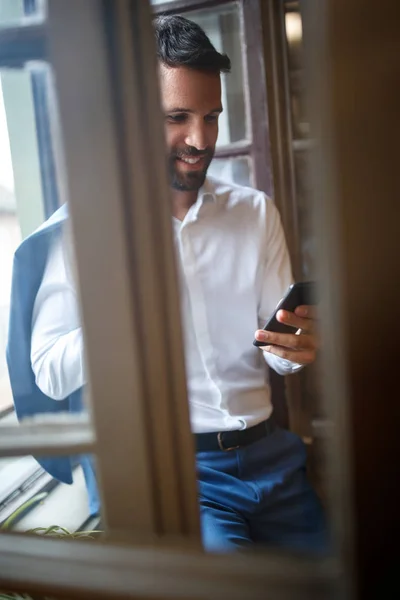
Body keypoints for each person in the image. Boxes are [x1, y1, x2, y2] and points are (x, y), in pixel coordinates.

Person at [7, 15, 326, 552]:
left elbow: (277, 354)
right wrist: (131, 309)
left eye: (212, 116)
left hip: (275, 458)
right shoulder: (83, 232)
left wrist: (297, 349)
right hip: (176, 473)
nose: (200, 140)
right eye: (176, 117)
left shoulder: (255, 213)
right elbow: (50, 374)